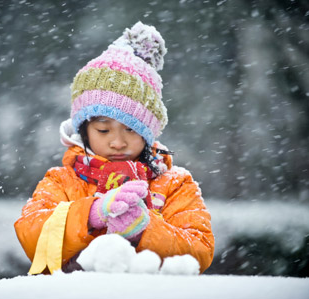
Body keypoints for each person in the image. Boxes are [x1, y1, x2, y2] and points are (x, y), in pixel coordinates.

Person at [14, 22, 214, 275]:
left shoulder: (175, 184)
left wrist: (145, 229)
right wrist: (92, 214)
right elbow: (31, 235)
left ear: (148, 133)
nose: (117, 142)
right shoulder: (62, 181)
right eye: (103, 130)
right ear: (83, 131)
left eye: (131, 129)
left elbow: (201, 250)